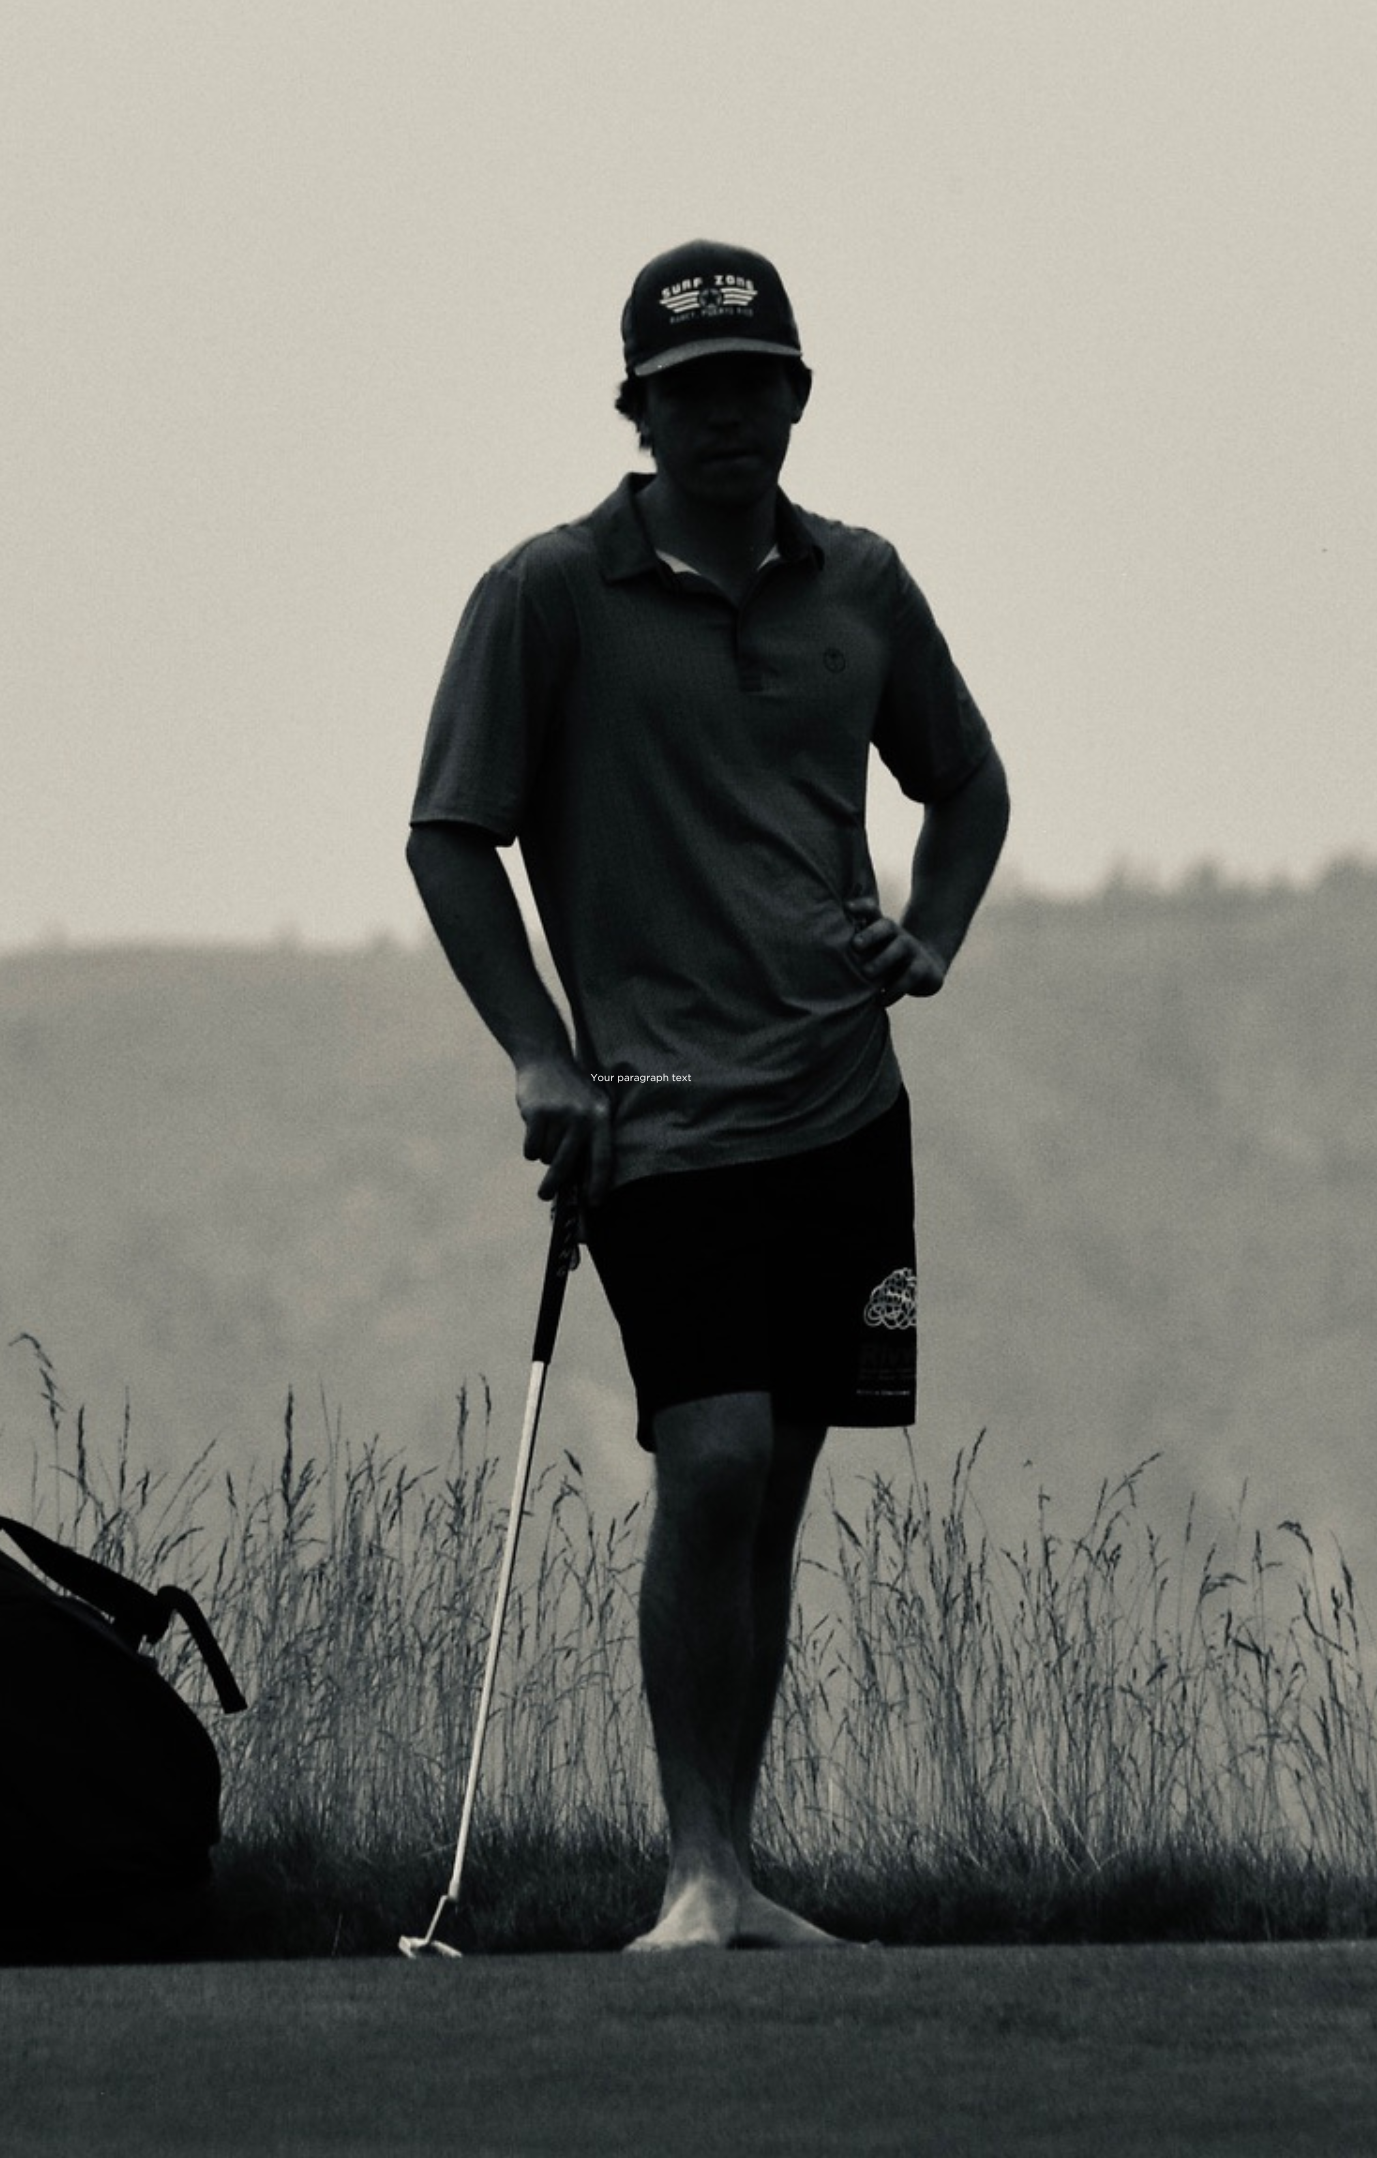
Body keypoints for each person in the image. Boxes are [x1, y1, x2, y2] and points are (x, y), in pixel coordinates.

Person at [404, 239, 1013, 1951]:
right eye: (691, 392)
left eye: (753, 382)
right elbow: (450, 838)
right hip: (654, 1109)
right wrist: (539, 1053)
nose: (726, 415)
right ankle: (691, 1873)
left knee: (778, 1483)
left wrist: (930, 937)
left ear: (799, 395)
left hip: (843, 1104)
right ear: (637, 411)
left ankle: (732, 1871)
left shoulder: (862, 585)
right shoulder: (548, 593)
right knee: (718, 1458)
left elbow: (969, 786)